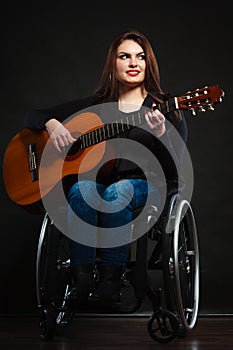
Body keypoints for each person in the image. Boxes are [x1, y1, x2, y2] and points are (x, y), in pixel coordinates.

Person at [24, 29, 188, 307]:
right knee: (80, 189)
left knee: (119, 190)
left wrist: (162, 135)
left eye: (140, 57)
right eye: (125, 56)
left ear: (149, 64)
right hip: (103, 185)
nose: (133, 63)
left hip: (146, 187)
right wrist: (51, 124)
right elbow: (33, 115)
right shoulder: (98, 104)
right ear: (114, 63)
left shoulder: (163, 107)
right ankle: (83, 279)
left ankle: (111, 283)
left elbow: (178, 161)